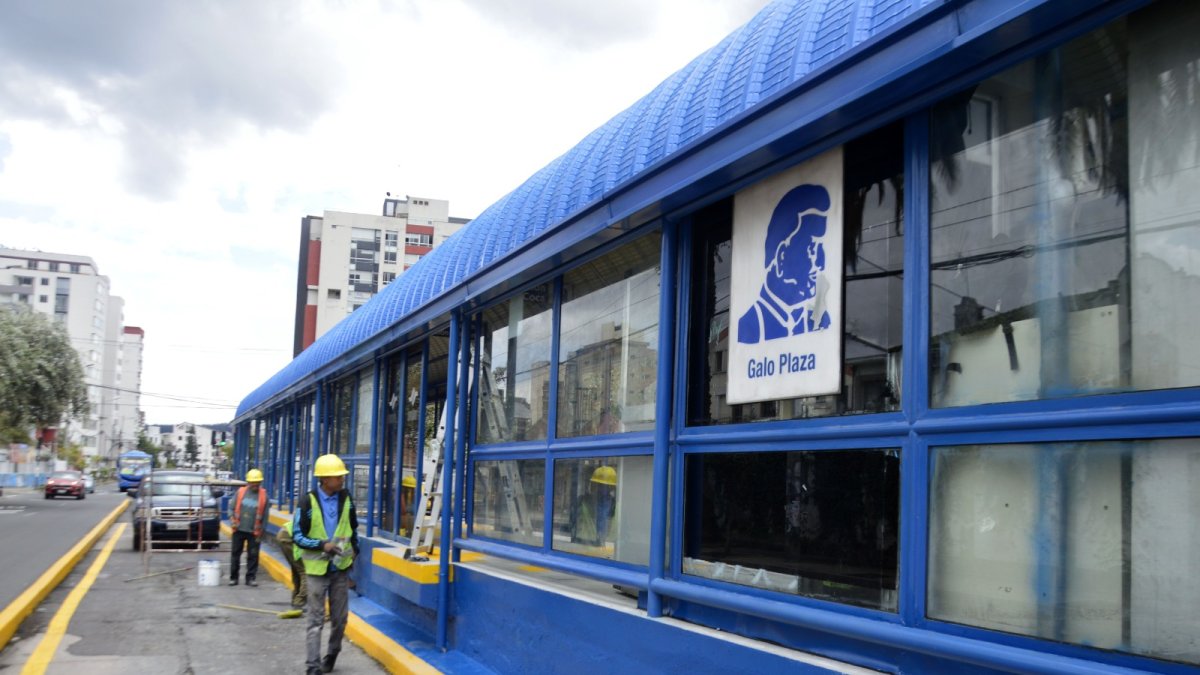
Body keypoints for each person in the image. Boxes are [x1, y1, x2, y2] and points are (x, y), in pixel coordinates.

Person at [737, 183, 834, 344]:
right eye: (812, 248)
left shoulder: (820, 322)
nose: (821, 263)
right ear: (781, 257)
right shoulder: (747, 328)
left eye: (821, 248)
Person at [294, 454, 359, 675]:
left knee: (340, 620)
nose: (342, 479)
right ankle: (312, 666)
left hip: (340, 569)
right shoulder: (307, 502)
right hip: (316, 571)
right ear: (325, 479)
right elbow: (298, 536)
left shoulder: (346, 499)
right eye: (338, 476)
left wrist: (354, 552)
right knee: (315, 620)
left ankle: (331, 655)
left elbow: (352, 528)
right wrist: (322, 545)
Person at [229, 468, 269, 587]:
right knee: (235, 554)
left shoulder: (263, 496)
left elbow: (265, 516)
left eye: (257, 483)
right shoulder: (240, 493)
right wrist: (232, 520)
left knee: (253, 555)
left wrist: (262, 531)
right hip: (239, 530)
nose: (255, 485)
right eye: (253, 483)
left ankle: (250, 578)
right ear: (248, 482)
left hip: (254, 532)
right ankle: (233, 578)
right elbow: (231, 508)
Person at [572, 465, 618, 547]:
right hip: (584, 546)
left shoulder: (617, 506)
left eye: (604, 486)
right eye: (598, 485)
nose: (600, 489)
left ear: (612, 487)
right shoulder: (583, 501)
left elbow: (624, 536)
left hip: (608, 549)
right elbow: (573, 525)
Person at [275, 518, 307, 609]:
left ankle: (295, 599)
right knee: (304, 571)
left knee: (297, 570)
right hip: (289, 537)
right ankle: (299, 601)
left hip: (284, 534)